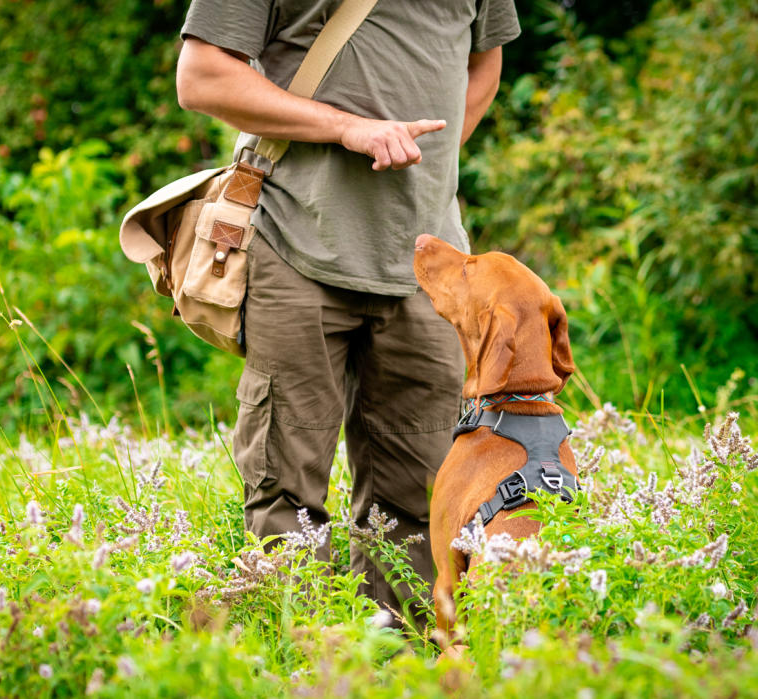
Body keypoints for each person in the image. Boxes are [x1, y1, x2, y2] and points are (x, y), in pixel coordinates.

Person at [175, 1, 519, 621]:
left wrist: (427, 174)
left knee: (420, 498)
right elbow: (201, 75)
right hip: (294, 242)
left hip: (428, 266)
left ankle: (398, 662)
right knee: (286, 491)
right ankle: (300, 656)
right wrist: (344, 127)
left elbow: (485, 60)